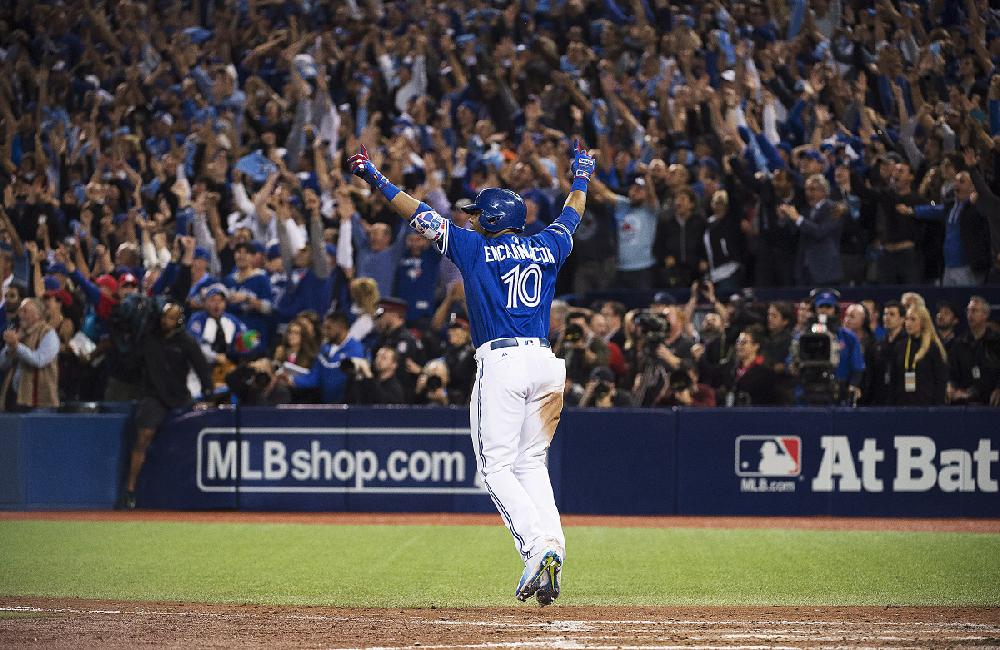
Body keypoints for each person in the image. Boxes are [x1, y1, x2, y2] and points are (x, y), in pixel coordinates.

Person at [349, 139, 595, 607]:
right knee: (530, 463)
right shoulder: (548, 244)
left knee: (495, 467)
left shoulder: (473, 247)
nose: (470, 219)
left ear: (493, 221)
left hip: (503, 362)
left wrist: (372, 175)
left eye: (478, 214)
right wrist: (581, 172)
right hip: (546, 363)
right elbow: (574, 211)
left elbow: (415, 212)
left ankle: (536, 547)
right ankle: (553, 547)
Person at [121, 302, 213, 509]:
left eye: (171, 318)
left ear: (179, 321)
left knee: (195, 439)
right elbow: (130, 363)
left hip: (180, 397)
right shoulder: (149, 339)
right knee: (143, 436)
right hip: (153, 396)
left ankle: (196, 492)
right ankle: (130, 491)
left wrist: (209, 393)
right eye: (164, 317)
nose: (166, 321)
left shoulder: (187, 342)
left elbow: (202, 368)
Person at [0, 298, 59, 411]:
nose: (20, 314)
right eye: (20, 310)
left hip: (39, 403)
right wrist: (9, 349)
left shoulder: (48, 334)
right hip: (15, 398)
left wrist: (17, 346)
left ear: (37, 315)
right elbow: (2, 364)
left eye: (25, 311)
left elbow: (39, 360)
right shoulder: (19, 333)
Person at [891, 305, 949, 406]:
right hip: (902, 406)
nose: (908, 323)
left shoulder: (933, 348)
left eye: (913, 319)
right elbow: (894, 380)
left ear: (923, 322)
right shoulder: (900, 347)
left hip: (927, 406)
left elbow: (940, 382)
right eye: (907, 319)